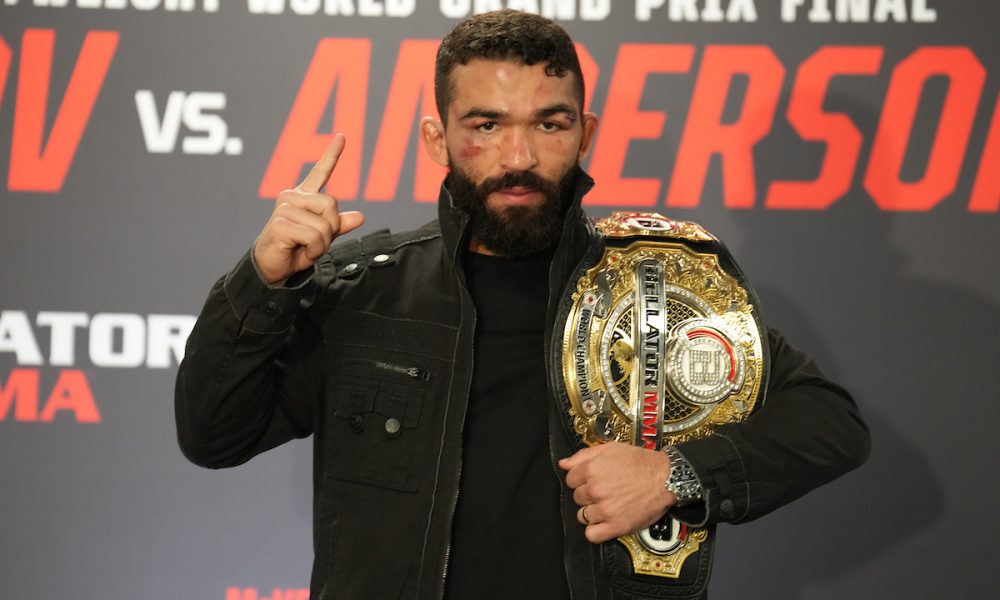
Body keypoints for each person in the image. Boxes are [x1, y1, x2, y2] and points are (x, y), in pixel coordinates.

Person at [175, 10, 870, 599]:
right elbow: (214, 435)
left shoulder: (658, 288)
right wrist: (263, 281)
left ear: (584, 134)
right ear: (437, 139)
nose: (518, 156)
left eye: (549, 124)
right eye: (485, 125)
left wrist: (675, 474)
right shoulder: (359, 292)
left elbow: (831, 421)